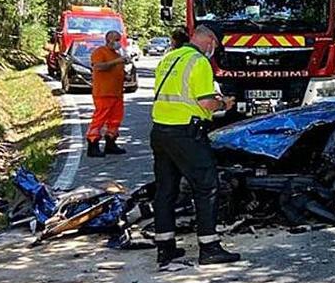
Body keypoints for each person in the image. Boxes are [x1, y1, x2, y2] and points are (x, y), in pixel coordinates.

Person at [150, 26, 241, 266]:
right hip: (186, 133)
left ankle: (165, 247)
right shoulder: (199, 62)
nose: (215, 50)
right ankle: (209, 247)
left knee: (165, 190)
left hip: (160, 131)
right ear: (210, 40)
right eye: (216, 45)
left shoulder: (170, 57)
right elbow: (206, 103)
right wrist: (224, 103)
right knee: (207, 185)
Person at [87, 31, 129, 157]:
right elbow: (99, 67)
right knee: (99, 119)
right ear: (108, 39)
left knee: (115, 120)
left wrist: (124, 76)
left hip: (116, 93)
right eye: (116, 39)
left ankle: (111, 143)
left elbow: (116, 71)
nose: (118, 42)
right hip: (103, 93)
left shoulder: (116, 54)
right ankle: (93, 144)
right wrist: (116, 62)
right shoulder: (100, 52)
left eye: (119, 40)